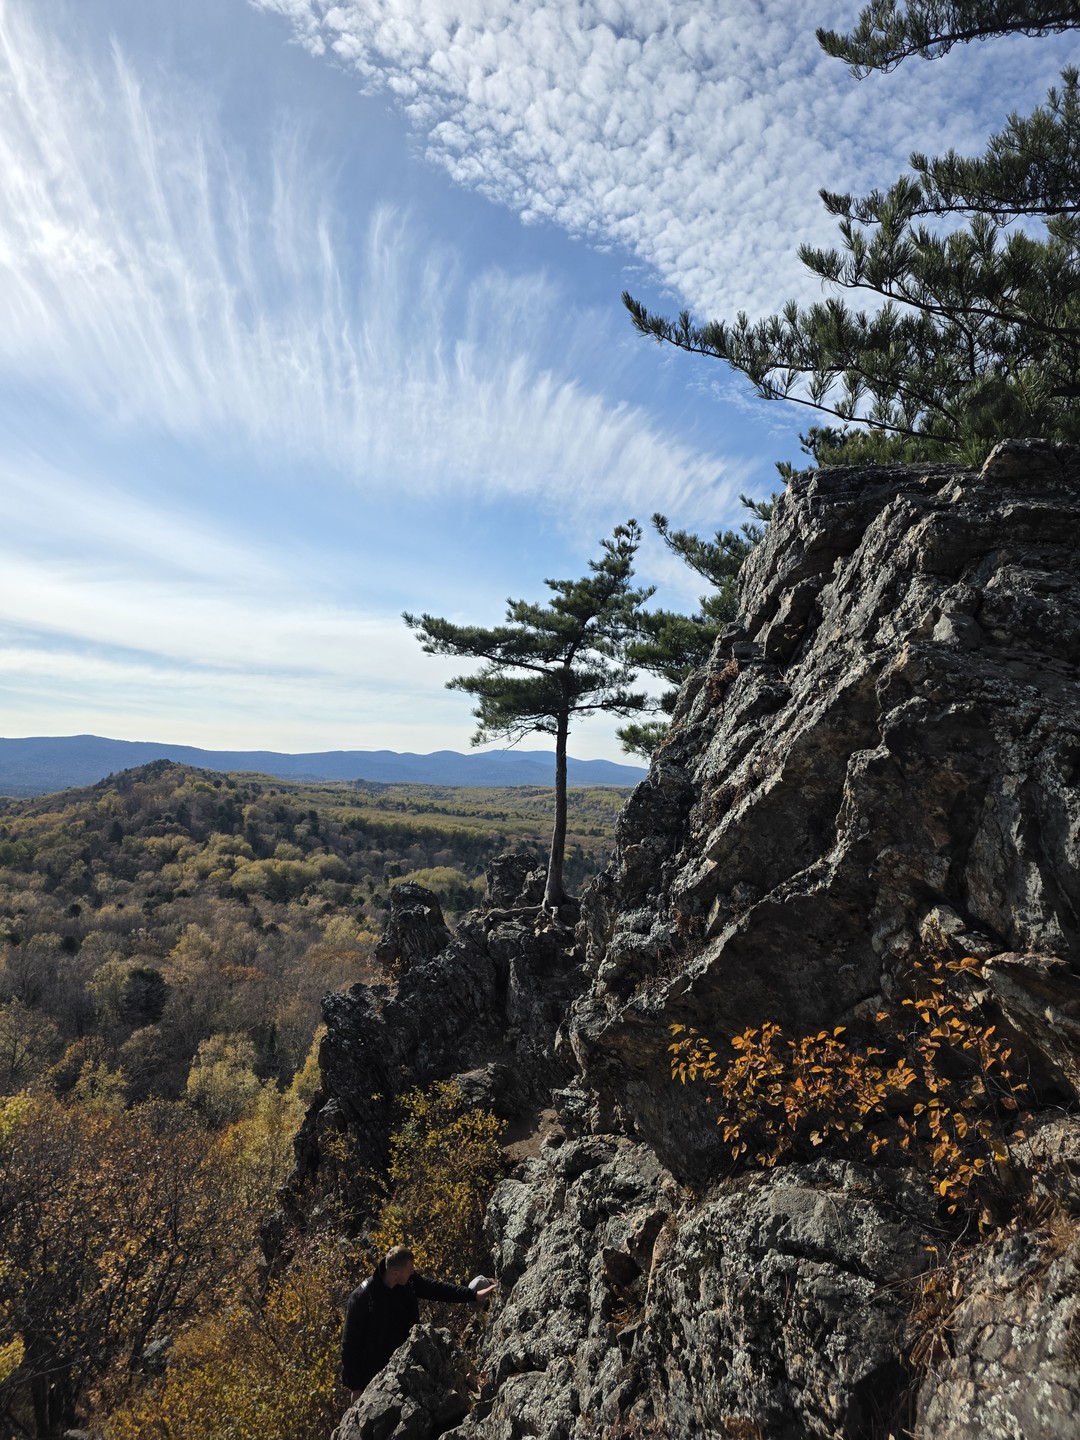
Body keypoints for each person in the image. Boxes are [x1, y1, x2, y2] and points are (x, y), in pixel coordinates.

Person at [341, 1245, 497, 1399]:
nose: (413, 1273)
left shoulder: (407, 1282)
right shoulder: (363, 1298)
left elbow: (437, 1289)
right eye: (410, 1270)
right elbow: (349, 1344)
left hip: (407, 1363)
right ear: (395, 1273)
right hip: (374, 1375)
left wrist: (473, 1295)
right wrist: (356, 1386)